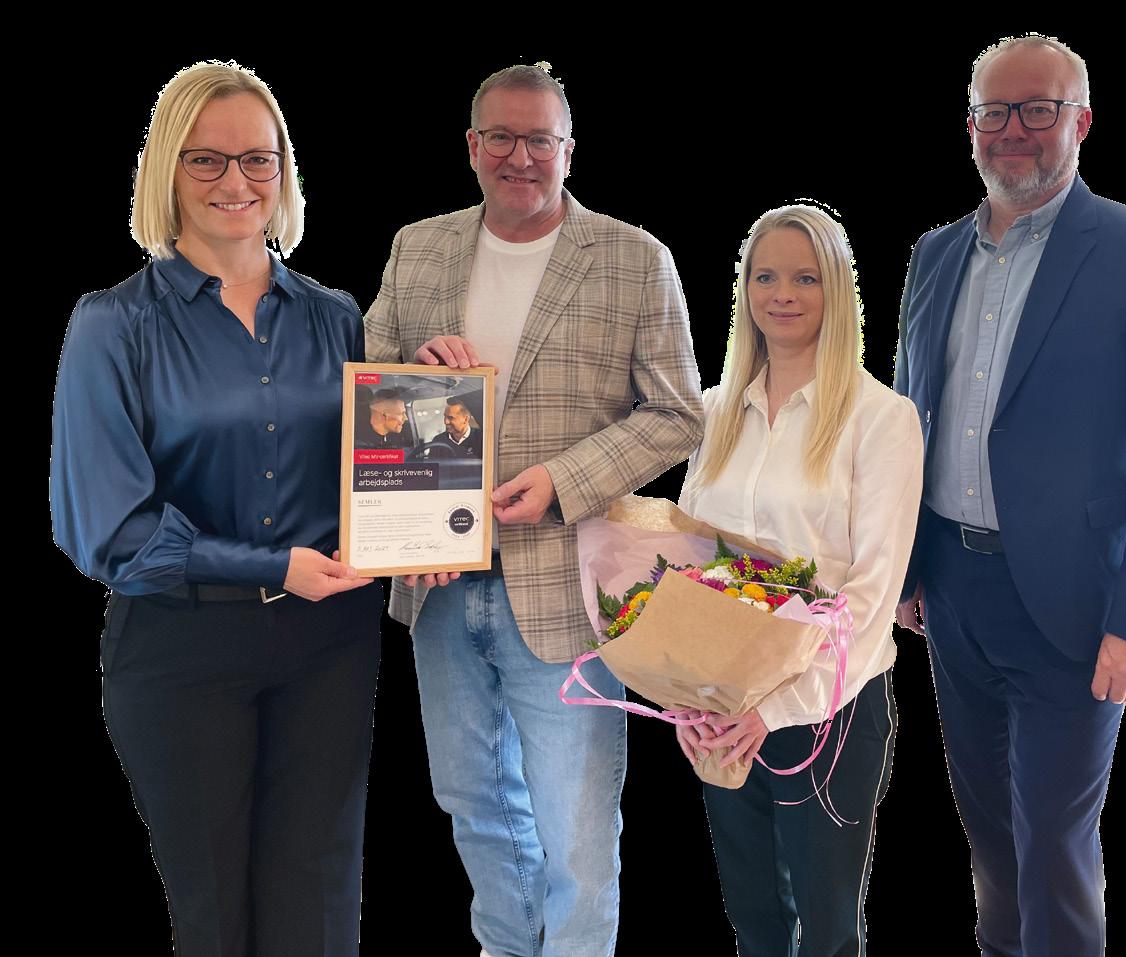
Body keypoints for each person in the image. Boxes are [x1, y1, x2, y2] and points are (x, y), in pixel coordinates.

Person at [892, 35, 1126, 956]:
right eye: (993, 112)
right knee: (989, 835)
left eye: (1038, 109)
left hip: (1074, 603)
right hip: (951, 593)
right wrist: (906, 567)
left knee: (1052, 845)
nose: (1013, 130)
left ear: (1080, 121)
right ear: (970, 126)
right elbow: (907, 419)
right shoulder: (934, 254)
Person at [363, 63, 703, 956]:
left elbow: (677, 414)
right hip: (437, 581)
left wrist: (563, 479)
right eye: (502, 138)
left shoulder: (635, 258)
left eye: (539, 140)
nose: (521, 157)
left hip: (566, 584)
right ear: (472, 146)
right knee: (473, 804)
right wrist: (413, 371)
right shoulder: (417, 246)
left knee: (576, 831)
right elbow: (369, 383)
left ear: (568, 150)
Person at [50, 62, 381, 956]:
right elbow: (106, 528)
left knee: (318, 905)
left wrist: (433, 390)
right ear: (168, 169)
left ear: (284, 172)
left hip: (330, 644)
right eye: (206, 159)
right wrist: (272, 565)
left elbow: (382, 471)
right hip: (180, 647)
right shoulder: (113, 326)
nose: (236, 182)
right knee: (214, 916)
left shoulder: (337, 317)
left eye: (257, 159)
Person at [675, 204, 924, 957]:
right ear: (745, 288)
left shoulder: (881, 418)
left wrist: (776, 705)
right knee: (752, 918)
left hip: (828, 709)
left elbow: (872, 594)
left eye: (806, 278)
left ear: (837, 290)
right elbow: (688, 562)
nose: (782, 294)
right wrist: (686, 695)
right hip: (724, 705)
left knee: (825, 931)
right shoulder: (714, 412)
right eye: (766, 276)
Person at [413, 395, 483, 459]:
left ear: (466, 419)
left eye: (450, 418)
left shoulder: (481, 439)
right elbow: (433, 467)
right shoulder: (438, 440)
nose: (446, 422)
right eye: (445, 416)